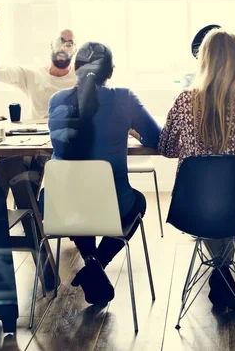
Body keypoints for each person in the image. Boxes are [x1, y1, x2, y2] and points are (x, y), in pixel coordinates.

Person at [158, 28, 235, 311]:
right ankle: (222, 272)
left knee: (209, 203)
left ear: (203, 59)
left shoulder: (184, 99)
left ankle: (220, 272)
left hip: (191, 201)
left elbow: (166, 148)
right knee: (231, 200)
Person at [47, 41, 161, 304]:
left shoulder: (57, 100)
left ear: (75, 69)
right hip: (112, 205)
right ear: (110, 72)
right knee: (138, 201)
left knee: (78, 195)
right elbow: (156, 137)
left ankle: (91, 262)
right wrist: (130, 129)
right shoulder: (123, 98)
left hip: (62, 207)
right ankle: (96, 264)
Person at [0, 29, 77, 119]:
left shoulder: (82, 77)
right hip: (40, 131)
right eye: (60, 41)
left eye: (69, 44)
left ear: (75, 50)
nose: (63, 47)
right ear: (51, 45)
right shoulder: (33, 74)